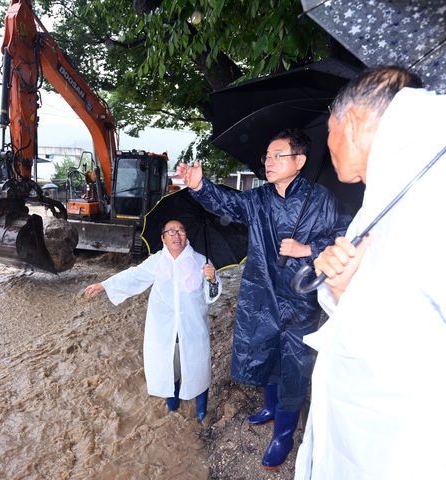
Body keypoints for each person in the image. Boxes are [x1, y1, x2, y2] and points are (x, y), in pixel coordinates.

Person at [294, 67, 446, 479]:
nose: (327, 144)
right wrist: (342, 288)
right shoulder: (388, 191)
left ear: (354, 122)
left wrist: (348, 292)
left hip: (398, 447)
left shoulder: (429, 194)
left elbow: (420, 343)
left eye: (329, 129)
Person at [177, 129, 351, 469]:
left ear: (299, 161)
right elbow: (229, 203)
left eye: (277, 155)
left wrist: (308, 249)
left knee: (294, 365)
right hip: (262, 292)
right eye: (267, 157)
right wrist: (200, 186)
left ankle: (284, 434)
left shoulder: (322, 200)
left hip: (300, 298)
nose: (268, 162)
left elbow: (347, 237)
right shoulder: (259, 199)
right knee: (266, 351)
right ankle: (271, 409)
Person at [84, 219, 221, 421]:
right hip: (164, 332)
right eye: (171, 231)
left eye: (181, 230)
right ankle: (172, 412)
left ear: (186, 235)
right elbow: (134, 276)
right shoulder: (157, 261)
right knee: (168, 371)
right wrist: (104, 285)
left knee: (198, 371)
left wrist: (213, 279)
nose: (176, 235)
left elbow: (211, 296)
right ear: (163, 238)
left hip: (192, 330)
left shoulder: (201, 261)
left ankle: (201, 413)